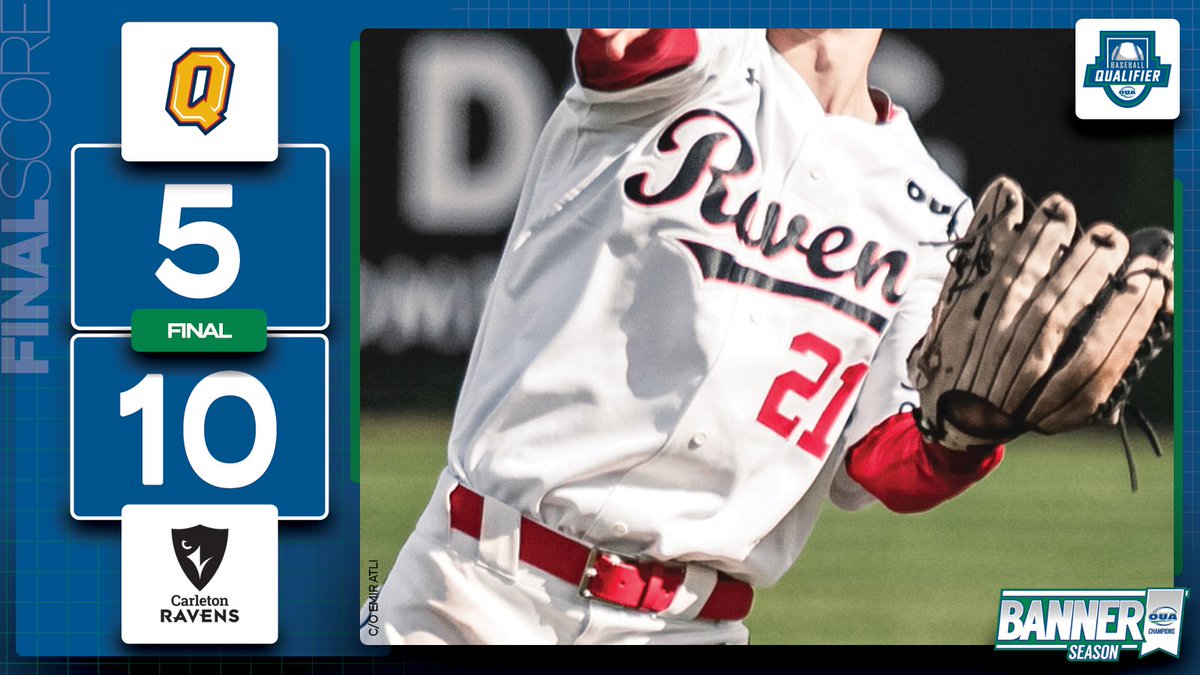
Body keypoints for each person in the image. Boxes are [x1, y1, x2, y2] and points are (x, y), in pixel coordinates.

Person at [361, 28, 1003, 645]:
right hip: (473, 596)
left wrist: (970, 430)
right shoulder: (698, 59)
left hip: (690, 629)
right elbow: (627, 44)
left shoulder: (937, 219)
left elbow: (884, 462)